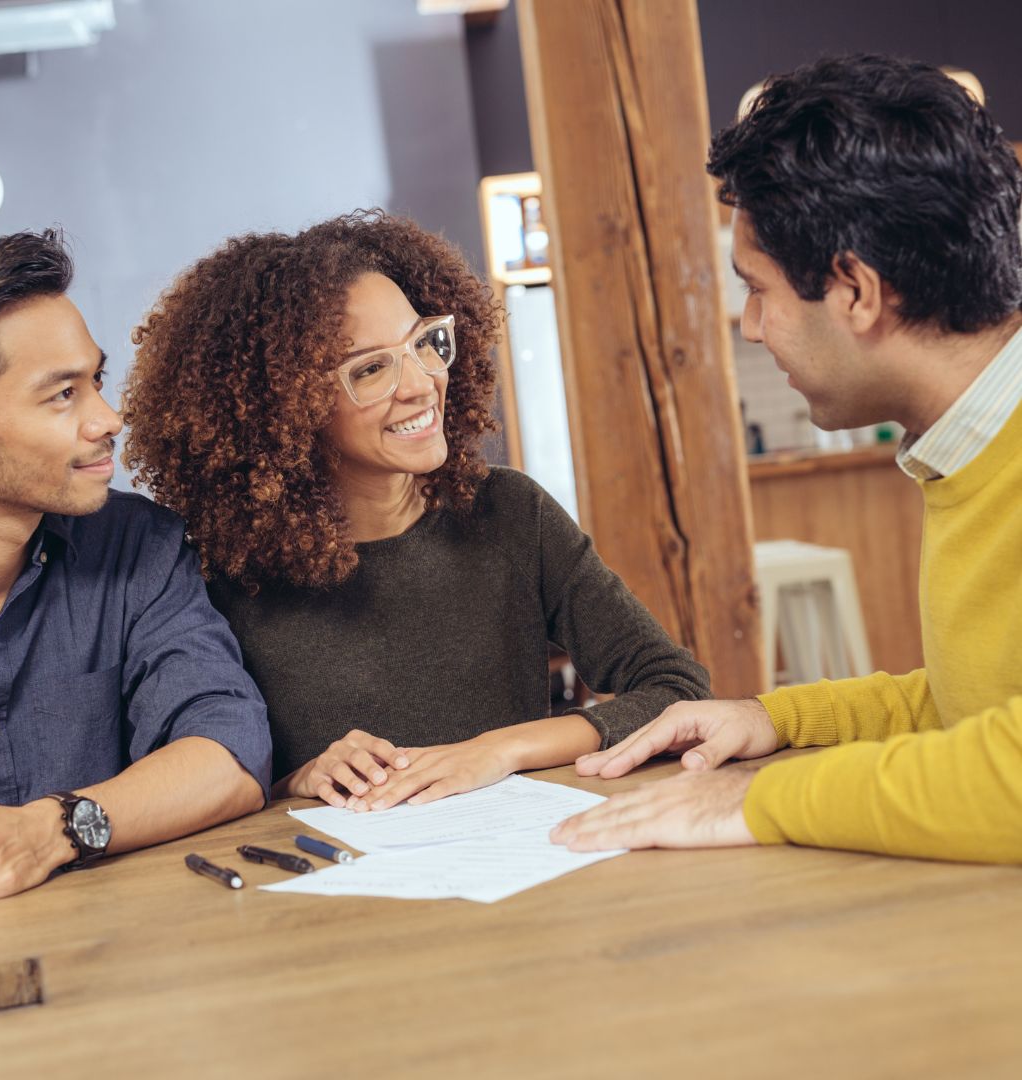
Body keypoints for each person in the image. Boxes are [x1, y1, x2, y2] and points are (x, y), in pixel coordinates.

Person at [553, 53, 1022, 864]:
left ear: (856, 292)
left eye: (758, 288)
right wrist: (775, 720)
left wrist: (756, 799)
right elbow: (977, 712)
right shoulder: (970, 446)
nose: (749, 326)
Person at [122, 210, 710, 811]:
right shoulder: (222, 577)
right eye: (371, 368)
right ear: (284, 412)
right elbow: (191, 782)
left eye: (424, 342)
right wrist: (290, 782)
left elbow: (676, 689)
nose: (422, 382)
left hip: (518, 869)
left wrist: (498, 750)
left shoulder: (509, 513)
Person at [0, 230, 271, 905]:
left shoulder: (137, 546)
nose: (109, 417)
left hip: (111, 961)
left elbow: (229, 755)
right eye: (62, 395)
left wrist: (58, 828)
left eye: (96, 379)